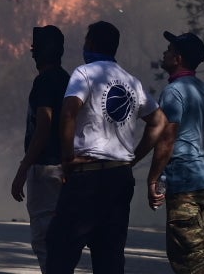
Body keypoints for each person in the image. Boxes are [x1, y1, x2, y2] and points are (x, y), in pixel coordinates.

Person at [45, 21, 167, 274]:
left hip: (87, 177)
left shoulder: (85, 74)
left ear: (91, 44)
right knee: (109, 256)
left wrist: (67, 158)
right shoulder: (131, 82)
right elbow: (158, 122)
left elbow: (68, 113)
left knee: (60, 251)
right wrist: (131, 158)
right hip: (119, 177)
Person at [146, 31, 204, 274]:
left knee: (187, 259)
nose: (164, 53)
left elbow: (166, 139)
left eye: (168, 50)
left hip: (185, 184)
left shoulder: (173, 92)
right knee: (198, 250)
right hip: (203, 180)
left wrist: (153, 179)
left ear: (177, 59)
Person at [11, 25, 71, 273]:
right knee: (61, 237)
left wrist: (24, 168)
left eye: (35, 48)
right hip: (64, 167)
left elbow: (44, 125)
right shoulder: (68, 79)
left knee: (45, 238)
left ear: (43, 52)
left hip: (46, 168)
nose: (31, 52)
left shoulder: (44, 82)